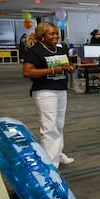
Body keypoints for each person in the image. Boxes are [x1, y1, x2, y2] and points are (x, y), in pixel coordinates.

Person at [23, 22, 76, 168]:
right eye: (51, 33)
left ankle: (57, 153)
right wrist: (52, 71)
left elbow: (67, 66)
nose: (55, 36)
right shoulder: (35, 51)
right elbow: (27, 72)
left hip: (61, 89)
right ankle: (50, 163)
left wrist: (70, 68)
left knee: (59, 124)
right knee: (49, 127)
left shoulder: (60, 49)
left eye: (56, 33)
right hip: (44, 91)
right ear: (42, 36)